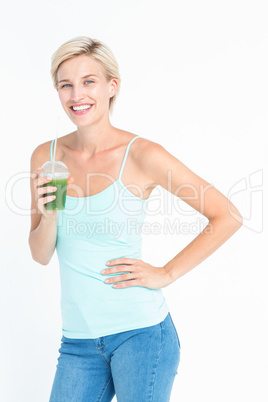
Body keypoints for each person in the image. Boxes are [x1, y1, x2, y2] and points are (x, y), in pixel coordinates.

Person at [29, 36, 243, 402]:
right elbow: (40, 254)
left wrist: (167, 272)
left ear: (112, 86)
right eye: (66, 84)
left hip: (141, 335)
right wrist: (49, 216)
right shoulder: (46, 156)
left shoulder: (142, 155)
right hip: (78, 341)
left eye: (89, 81)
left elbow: (227, 215)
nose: (76, 94)